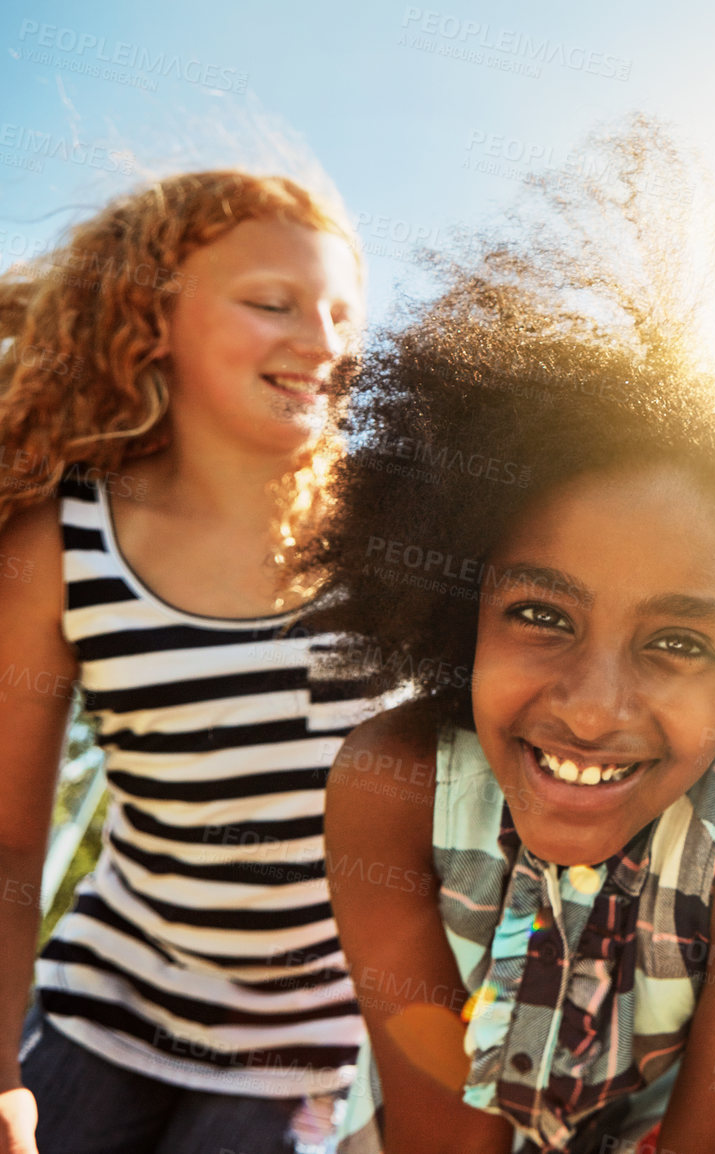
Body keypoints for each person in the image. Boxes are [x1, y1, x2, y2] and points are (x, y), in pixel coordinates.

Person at [298, 155, 715, 1153]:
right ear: (458, 604)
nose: (592, 704)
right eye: (542, 613)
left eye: (676, 641)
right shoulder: (390, 784)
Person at [0, 171, 375, 1153]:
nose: (324, 343)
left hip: (306, 1050)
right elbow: (7, 841)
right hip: (102, 1006)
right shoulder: (67, 541)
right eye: (273, 303)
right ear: (150, 316)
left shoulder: (391, 539)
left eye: (341, 313)